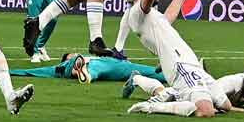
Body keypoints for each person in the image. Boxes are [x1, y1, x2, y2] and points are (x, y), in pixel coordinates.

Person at [122, 0, 239, 118]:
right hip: (180, 66)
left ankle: (156, 87)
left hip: (193, 64)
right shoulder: (136, 13)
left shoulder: (154, 17)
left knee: (225, 105)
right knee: (206, 111)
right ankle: (151, 106)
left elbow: (169, 16)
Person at [11, 53, 167, 84]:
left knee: (153, 72)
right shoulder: (67, 61)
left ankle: (171, 76)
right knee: (93, 70)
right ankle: (83, 73)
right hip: (101, 66)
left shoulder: (88, 56)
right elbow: (43, 71)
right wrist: (10, 72)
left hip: (114, 65)